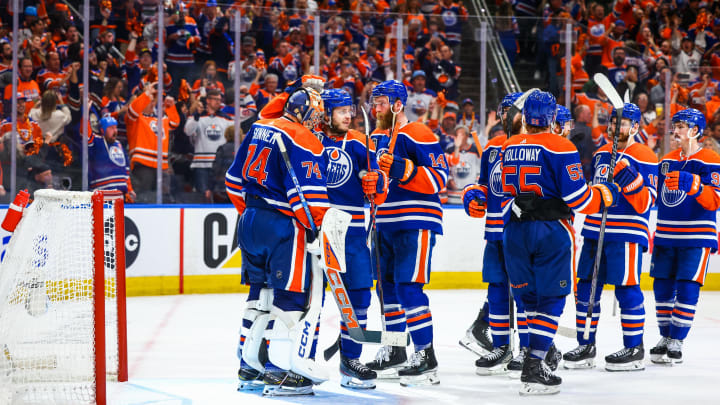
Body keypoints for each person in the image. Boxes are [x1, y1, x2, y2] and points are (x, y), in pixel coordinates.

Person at [501, 90, 621, 395]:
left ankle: (535, 355)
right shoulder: (561, 145)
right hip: (551, 229)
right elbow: (576, 198)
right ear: (552, 118)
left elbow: (504, 187)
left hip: (514, 228)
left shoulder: (509, 145)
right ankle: (534, 366)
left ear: (525, 117)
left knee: (528, 300)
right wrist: (603, 195)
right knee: (552, 299)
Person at [227, 88, 328, 396]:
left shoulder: (259, 127)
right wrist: (316, 229)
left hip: (250, 221)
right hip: (284, 226)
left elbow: (233, 181)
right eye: (315, 115)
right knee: (291, 297)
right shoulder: (304, 139)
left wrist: (256, 212)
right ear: (304, 113)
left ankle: (249, 366)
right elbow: (306, 199)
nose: (317, 121)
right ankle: (279, 370)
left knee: (260, 295)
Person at [364, 80, 448, 386]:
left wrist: (404, 169)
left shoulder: (419, 133)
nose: (376, 109)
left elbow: (440, 178)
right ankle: (396, 349)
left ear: (398, 105)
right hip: (382, 221)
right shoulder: (374, 138)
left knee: (408, 288)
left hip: (415, 220)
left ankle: (425, 354)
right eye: (374, 103)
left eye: (382, 103)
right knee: (385, 289)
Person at [563, 103, 658, 371]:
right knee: (585, 288)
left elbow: (646, 202)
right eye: (614, 123)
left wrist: (629, 176)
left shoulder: (645, 155)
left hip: (626, 233)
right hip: (594, 230)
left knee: (627, 288)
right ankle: (586, 344)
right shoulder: (601, 153)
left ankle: (634, 348)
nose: (617, 128)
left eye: (624, 123)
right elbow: (594, 193)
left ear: (636, 127)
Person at [461, 92, 537, 377]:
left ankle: (529, 349)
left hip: (522, 233)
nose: (507, 116)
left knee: (524, 294)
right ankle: (502, 346)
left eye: (513, 111)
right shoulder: (492, 147)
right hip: (494, 232)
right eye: (504, 111)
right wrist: (474, 195)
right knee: (497, 291)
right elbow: (485, 185)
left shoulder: (533, 145)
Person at [317, 89, 388, 389]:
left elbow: (381, 190)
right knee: (307, 300)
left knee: (359, 296)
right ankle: (297, 359)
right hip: (318, 232)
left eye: (350, 110)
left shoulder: (359, 142)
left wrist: (377, 183)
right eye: (341, 110)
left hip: (354, 231)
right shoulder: (311, 140)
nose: (349, 115)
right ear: (326, 114)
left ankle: (350, 362)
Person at [650, 108, 720, 365]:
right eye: (675, 125)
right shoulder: (666, 160)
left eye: (681, 126)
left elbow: (715, 200)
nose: (675, 131)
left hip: (696, 236)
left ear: (695, 130)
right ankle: (666, 336)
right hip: (666, 235)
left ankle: (678, 339)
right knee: (662, 288)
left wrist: (694, 185)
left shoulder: (711, 159)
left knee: (688, 287)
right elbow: (654, 194)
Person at [125, 81, 180, 202]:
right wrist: (146, 94)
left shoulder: (161, 120)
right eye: (150, 100)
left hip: (162, 167)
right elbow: (132, 110)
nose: (152, 103)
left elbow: (175, 123)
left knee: (165, 199)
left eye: (153, 100)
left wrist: (170, 107)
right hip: (143, 165)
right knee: (142, 198)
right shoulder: (135, 119)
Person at [184, 89, 234, 201]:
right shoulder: (197, 116)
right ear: (208, 100)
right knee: (203, 197)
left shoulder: (226, 118)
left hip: (219, 166)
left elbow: (232, 137)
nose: (218, 102)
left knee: (219, 196)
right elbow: (187, 131)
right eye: (216, 99)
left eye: (220, 100)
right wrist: (196, 115)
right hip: (201, 165)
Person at [88, 116, 136, 202]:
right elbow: (86, 134)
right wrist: (85, 114)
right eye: (111, 128)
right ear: (102, 130)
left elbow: (126, 170)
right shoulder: (97, 142)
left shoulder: (118, 144)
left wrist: (129, 189)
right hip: (102, 194)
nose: (115, 131)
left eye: (115, 128)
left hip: (120, 194)